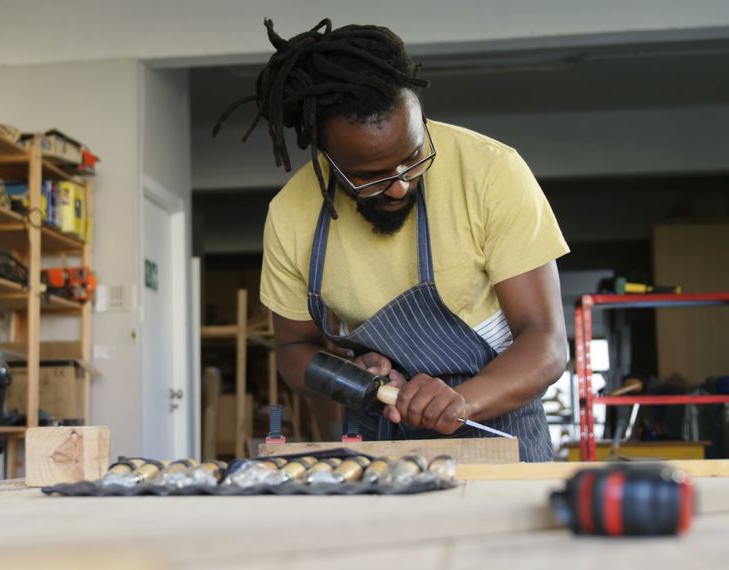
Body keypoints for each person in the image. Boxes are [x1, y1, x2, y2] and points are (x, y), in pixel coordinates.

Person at [213, 19, 570, 461]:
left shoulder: (490, 172)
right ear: (328, 159)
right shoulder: (291, 215)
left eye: (412, 159)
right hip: (376, 442)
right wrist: (349, 376)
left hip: (495, 427)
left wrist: (463, 401)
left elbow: (546, 342)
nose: (400, 186)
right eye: (370, 178)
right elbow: (292, 350)